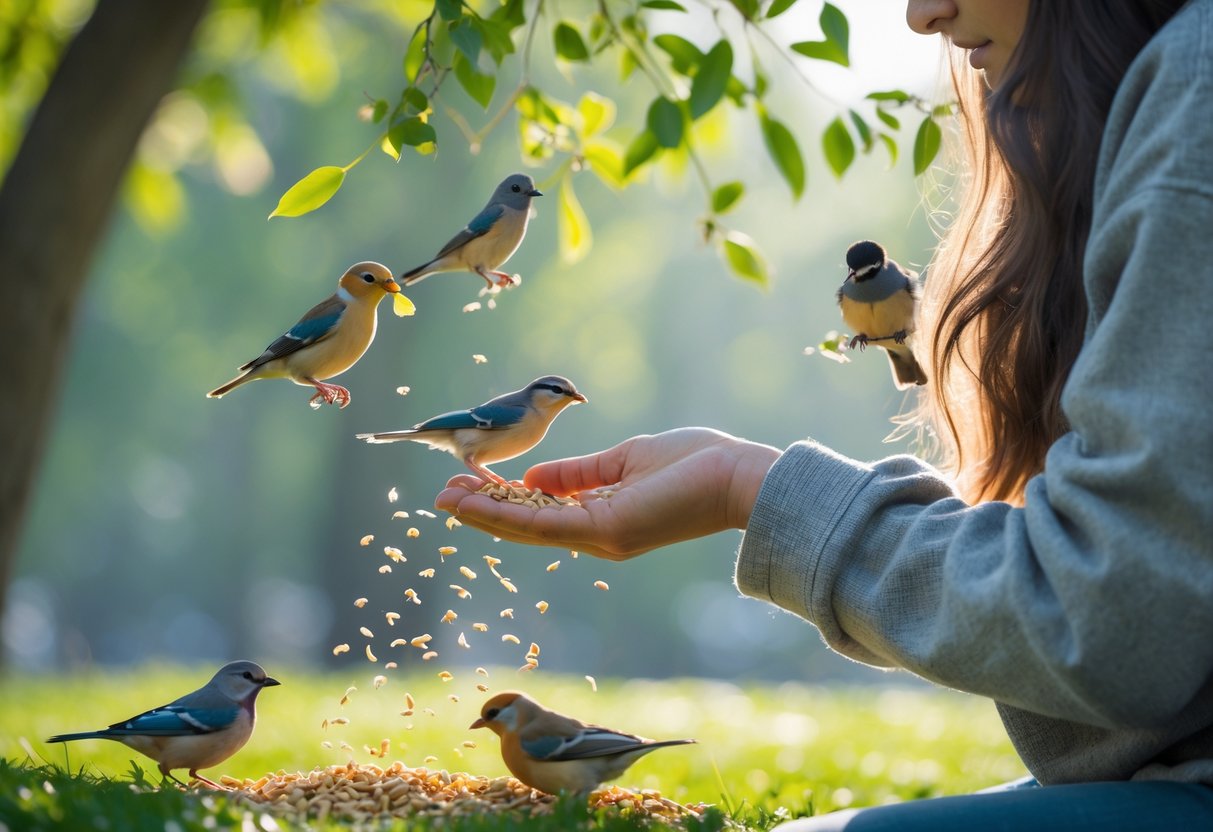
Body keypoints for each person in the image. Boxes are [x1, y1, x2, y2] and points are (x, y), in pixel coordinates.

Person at [436, 0, 1213, 828]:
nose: (921, 15)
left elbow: (1109, 622)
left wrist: (753, 493)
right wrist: (745, 480)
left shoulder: (1194, 88)